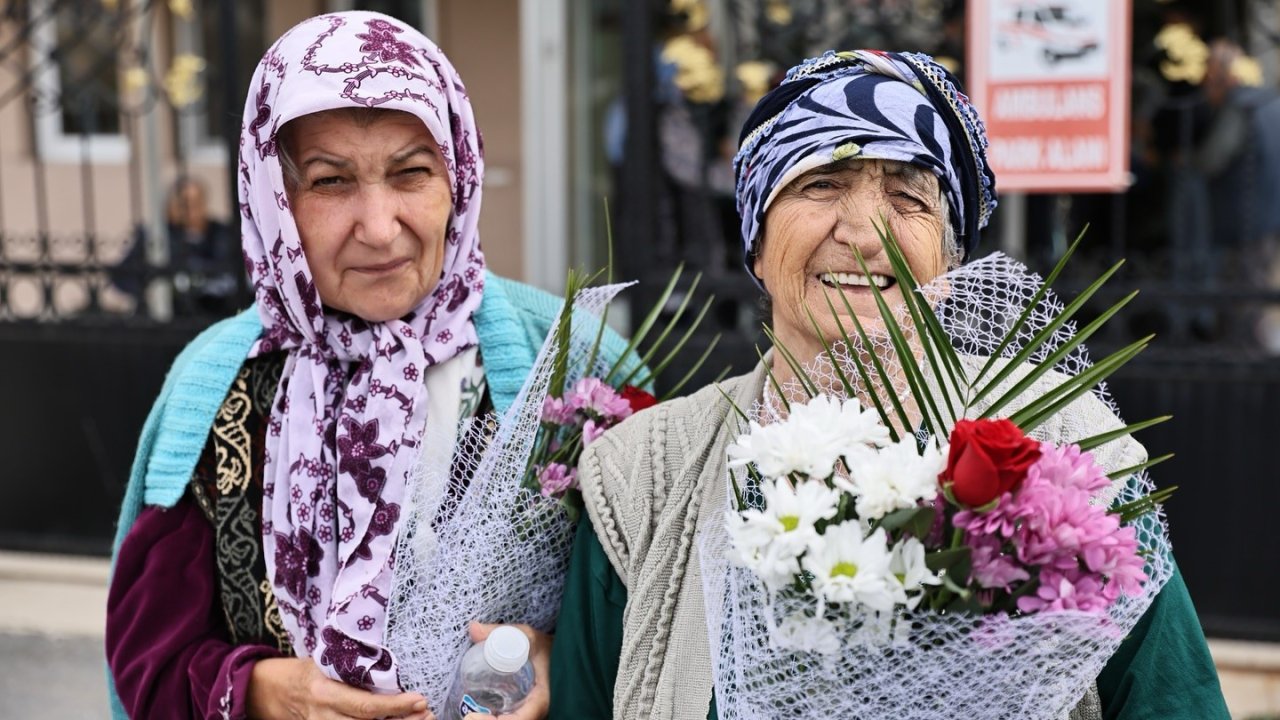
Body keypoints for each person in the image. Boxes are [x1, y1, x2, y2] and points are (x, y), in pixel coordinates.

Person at [549, 50, 1230, 719]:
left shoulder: (1061, 447)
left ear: (952, 253)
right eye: (821, 184)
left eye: (908, 196)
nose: (867, 233)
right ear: (755, 237)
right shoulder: (644, 472)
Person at [105, 12, 630, 719]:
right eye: (330, 182)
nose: (380, 227)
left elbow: (657, 619)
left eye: (411, 173)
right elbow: (150, 661)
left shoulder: (571, 364)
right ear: (275, 200)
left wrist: (555, 664)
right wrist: (264, 691)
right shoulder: (219, 385)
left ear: (458, 179)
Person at [111, 176, 239, 316]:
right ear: (171, 207)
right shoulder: (156, 236)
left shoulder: (222, 233)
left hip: (218, 314)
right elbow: (123, 274)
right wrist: (149, 292)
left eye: (196, 203)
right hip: (171, 318)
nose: (191, 210)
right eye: (184, 204)